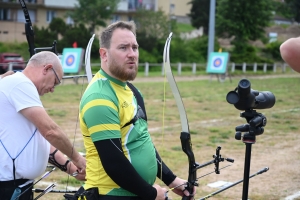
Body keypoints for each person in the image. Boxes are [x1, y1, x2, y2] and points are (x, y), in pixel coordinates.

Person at [79, 21, 196, 200]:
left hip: (135, 192)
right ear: (104, 54)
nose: (132, 54)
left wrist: (171, 180)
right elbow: (113, 163)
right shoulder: (100, 97)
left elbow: (141, 140)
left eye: (135, 47)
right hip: (111, 195)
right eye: (123, 48)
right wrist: (151, 194)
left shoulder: (131, 90)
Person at [0, 51, 86, 200]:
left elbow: (42, 142)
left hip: (17, 186)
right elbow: (51, 131)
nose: (53, 89)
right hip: (7, 187)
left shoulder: (20, 86)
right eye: (56, 81)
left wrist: (72, 169)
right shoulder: (20, 83)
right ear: (47, 69)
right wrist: (77, 158)